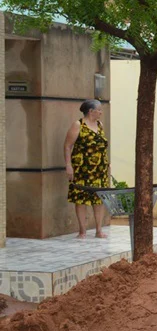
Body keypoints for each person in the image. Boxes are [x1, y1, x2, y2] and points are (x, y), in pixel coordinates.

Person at [64, 99, 109, 239]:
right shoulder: (78, 125)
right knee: (81, 199)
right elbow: (67, 146)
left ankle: (98, 230)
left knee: (99, 199)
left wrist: (107, 163)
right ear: (91, 111)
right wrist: (68, 165)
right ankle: (82, 231)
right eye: (99, 110)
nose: (101, 112)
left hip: (99, 169)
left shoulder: (100, 125)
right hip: (82, 168)